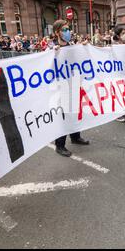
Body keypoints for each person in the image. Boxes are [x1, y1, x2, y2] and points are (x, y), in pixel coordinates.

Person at [51, 20, 89, 157]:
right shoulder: (52, 49)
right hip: (61, 87)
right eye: (64, 30)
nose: (68, 32)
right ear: (57, 32)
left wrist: (83, 48)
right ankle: (59, 145)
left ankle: (75, 136)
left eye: (68, 29)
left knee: (75, 112)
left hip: (73, 84)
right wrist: (53, 53)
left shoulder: (73, 47)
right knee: (64, 116)